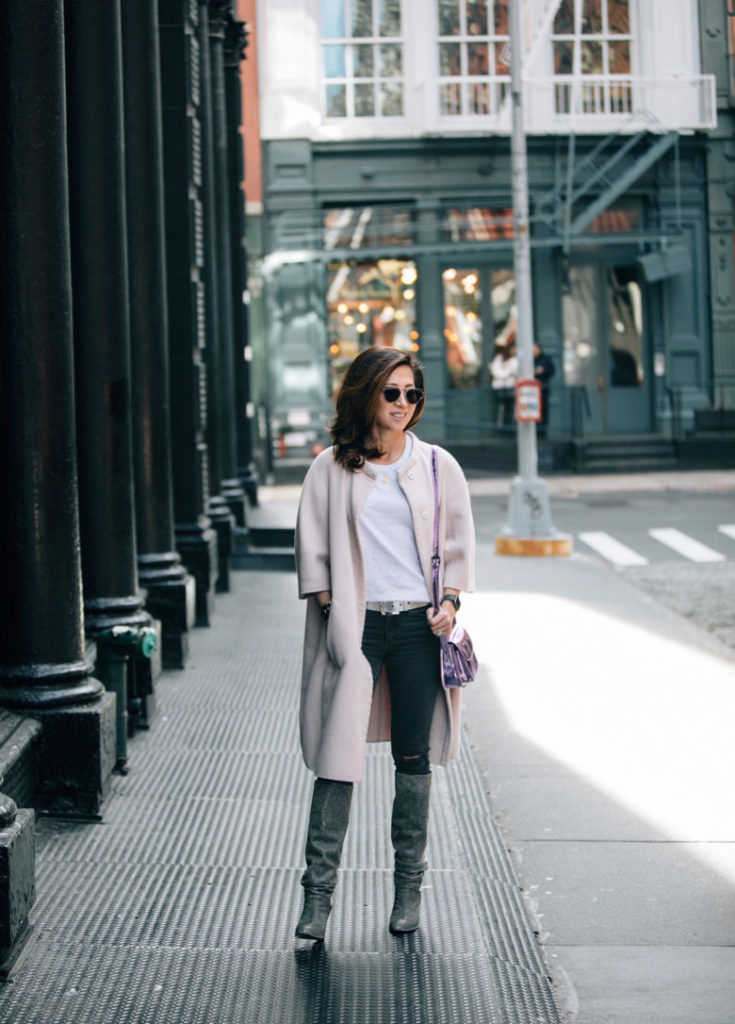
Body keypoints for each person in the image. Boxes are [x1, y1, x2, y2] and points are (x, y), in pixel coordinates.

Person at [294, 347, 475, 942]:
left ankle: (408, 891)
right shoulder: (331, 467)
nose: (403, 404)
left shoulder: (435, 465)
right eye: (392, 392)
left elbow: (456, 544)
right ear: (367, 393)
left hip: (419, 628)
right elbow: (313, 547)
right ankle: (317, 901)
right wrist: (330, 606)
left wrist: (449, 603)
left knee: (413, 759)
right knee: (336, 756)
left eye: (412, 394)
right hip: (360, 623)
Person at [490, 340, 518, 429]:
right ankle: (501, 427)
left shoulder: (515, 360)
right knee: (500, 408)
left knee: (510, 408)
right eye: (512, 349)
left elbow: (514, 371)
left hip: (511, 387)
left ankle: (509, 427)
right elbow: (495, 370)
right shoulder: (499, 358)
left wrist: (506, 374)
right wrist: (505, 375)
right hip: (499, 387)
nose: (513, 351)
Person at [533, 342, 555, 437]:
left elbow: (552, 371)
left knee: (544, 410)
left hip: (543, 388)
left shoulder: (546, 359)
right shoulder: (530, 360)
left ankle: (543, 432)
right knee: (533, 409)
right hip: (532, 389)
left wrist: (543, 371)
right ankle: (536, 431)